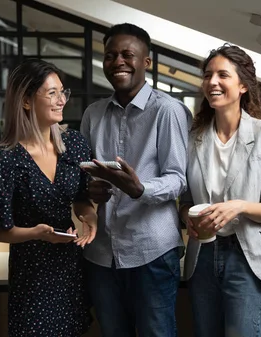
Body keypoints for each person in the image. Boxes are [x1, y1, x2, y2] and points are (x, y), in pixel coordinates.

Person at [80, 23, 191, 337]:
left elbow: (177, 179)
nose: (118, 62)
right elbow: (86, 175)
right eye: (111, 55)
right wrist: (92, 190)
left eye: (128, 54)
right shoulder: (93, 113)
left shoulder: (168, 111)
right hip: (101, 254)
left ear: (147, 62)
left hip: (151, 253)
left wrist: (140, 189)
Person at [0, 59, 97, 337]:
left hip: (70, 269)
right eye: (51, 93)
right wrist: (37, 234)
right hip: (32, 274)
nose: (61, 101)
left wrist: (89, 217)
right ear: (27, 101)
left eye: (62, 92)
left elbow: (82, 198)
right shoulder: (5, 159)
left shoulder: (75, 144)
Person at [178, 44, 261, 337]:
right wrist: (189, 217)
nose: (212, 82)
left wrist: (238, 206)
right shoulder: (192, 138)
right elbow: (186, 202)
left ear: (243, 86)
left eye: (222, 75)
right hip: (202, 255)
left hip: (247, 257)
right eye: (208, 75)